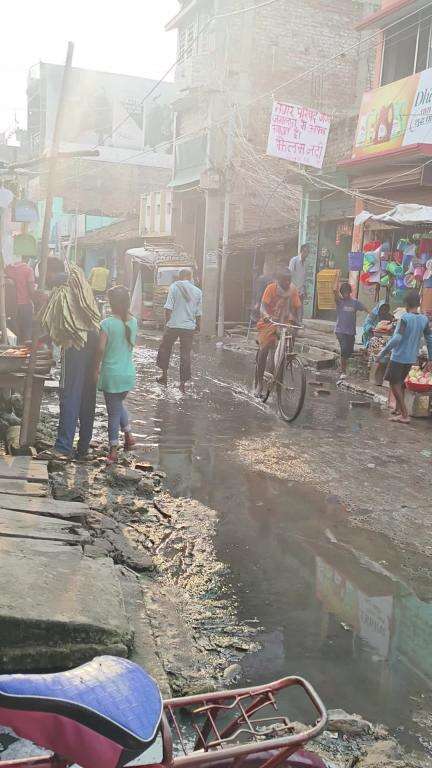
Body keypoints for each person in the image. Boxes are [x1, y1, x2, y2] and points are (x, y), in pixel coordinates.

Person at [95, 286, 138, 464]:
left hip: (111, 375)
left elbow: (100, 348)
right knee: (118, 405)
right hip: (128, 375)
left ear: (111, 304)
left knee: (113, 413)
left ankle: (113, 450)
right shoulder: (133, 322)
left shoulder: (106, 324)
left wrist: (95, 367)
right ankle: (128, 437)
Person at [377, 290, 432, 424]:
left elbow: (397, 338)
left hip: (398, 356)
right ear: (418, 303)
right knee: (400, 383)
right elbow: (429, 339)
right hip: (411, 358)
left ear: (406, 304)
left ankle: (404, 414)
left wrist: (383, 352)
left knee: (394, 384)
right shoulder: (424, 319)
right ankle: (397, 410)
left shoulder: (405, 318)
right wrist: (431, 358)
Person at [255, 268, 301, 396]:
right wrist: (265, 315)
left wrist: (299, 322)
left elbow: (298, 307)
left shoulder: (293, 290)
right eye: (284, 280)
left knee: (285, 351)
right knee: (264, 349)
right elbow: (263, 306)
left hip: (285, 322)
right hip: (270, 321)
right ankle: (259, 384)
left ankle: (278, 373)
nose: (287, 282)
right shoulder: (271, 288)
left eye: (289, 280)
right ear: (279, 280)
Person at [156, 268, 202, 393]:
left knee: (165, 349)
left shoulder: (174, 287)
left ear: (180, 276)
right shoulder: (198, 291)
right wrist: (197, 326)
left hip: (173, 325)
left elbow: (168, 307)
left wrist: (167, 324)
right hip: (188, 328)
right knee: (185, 354)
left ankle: (164, 376)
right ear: (190, 276)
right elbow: (198, 313)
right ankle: (182, 384)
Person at [333, 282, 366, 382]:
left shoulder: (355, 302)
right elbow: (335, 293)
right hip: (340, 331)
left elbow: (364, 308)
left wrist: (372, 315)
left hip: (351, 332)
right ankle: (343, 371)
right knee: (344, 349)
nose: (345, 294)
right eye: (343, 292)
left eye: (347, 292)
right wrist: (335, 288)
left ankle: (342, 366)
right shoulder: (340, 302)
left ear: (350, 292)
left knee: (349, 351)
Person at [5, 255, 35, 344]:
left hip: (12, 305)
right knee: (27, 328)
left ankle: (17, 346)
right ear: (27, 258)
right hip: (25, 303)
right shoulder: (28, 270)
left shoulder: (9, 269)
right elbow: (31, 291)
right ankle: (27, 348)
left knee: (15, 329)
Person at [289, 243, 310, 321]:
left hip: (301, 291)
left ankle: (298, 327)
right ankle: (292, 326)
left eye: (308, 252)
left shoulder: (306, 263)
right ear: (302, 251)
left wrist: (305, 290)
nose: (307, 254)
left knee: (300, 309)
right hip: (293, 290)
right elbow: (290, 275)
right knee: (293, 309)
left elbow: (304, 278)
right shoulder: (294, 260)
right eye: (306, 252)